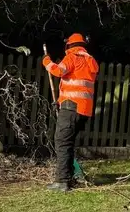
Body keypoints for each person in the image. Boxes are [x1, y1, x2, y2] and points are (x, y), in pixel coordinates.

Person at [42, 33, 99, 192]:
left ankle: (62, 181)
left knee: (62, 142)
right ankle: (71, 176)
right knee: (68, 142)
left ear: (69, 46)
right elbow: (77, 81)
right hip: (84, 110)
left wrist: (47, 61)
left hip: (71, 108)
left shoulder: (72, 57)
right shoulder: (91, 61)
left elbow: (58, 71)